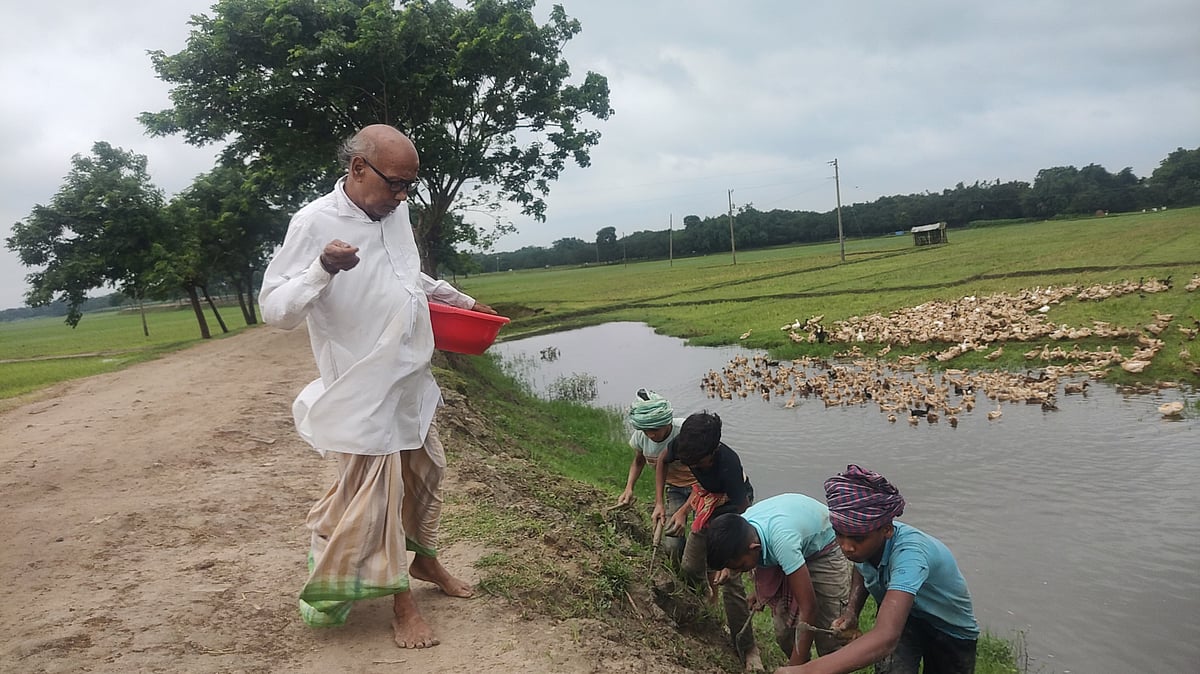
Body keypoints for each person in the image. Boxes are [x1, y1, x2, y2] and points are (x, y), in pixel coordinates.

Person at [259, 124, 494, 650]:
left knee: (427, 472)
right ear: (358, 168)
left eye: (411, 185)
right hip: (361, 388)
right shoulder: (314, 222)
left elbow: (407, 277)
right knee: (378, 498)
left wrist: (459, 301)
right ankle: (401, 603)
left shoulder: (395, 212)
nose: (404, 195)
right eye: (396, 183)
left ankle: (425, 560)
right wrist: (322, 268)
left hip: (408, 375)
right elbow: (275, 310)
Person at [778, 465, 979, 674]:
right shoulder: (865, 547)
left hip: (948, 629)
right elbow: (862, 567)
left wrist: (806, 671)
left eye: (857, 538)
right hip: (905, 618)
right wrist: (852, 611)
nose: (846, 547)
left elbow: (886, 637)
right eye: (839, 535)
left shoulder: (911, 555)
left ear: (887, 530)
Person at [653, 411, 761, 672]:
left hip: (731, 510)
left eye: (698, 462)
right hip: (706, 500)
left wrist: (730, 562)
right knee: (690, 566)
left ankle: (748, 648)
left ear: (713, 451)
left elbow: (744, 515)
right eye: (689, 461)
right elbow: (662, 460)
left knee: (731, 582)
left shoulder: (728, 464)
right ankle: (704, 603)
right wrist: (661, 504)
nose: (693, 465)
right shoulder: (686, 446)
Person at [706, 493, 852, 667]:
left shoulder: (782, 542)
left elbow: (809, 608)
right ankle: (805, 666)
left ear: (755, 548)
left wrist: (793, 668)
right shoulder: (740, 529)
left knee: (830, 636)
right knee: (784, 633)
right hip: (793, 538)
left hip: (824, 546)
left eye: (740, 567)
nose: (737, 572)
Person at [615, 388, 695, 563]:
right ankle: (678, 573)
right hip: (675, 488)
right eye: (646, 430)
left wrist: (684, 512)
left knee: (702, 541)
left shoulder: (685, 431)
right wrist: (629, 488)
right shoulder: (641, 437)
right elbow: (638, 461)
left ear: (667, 422)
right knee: (672, 544)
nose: (651, 434)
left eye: (656, 429)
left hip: (701, 488)